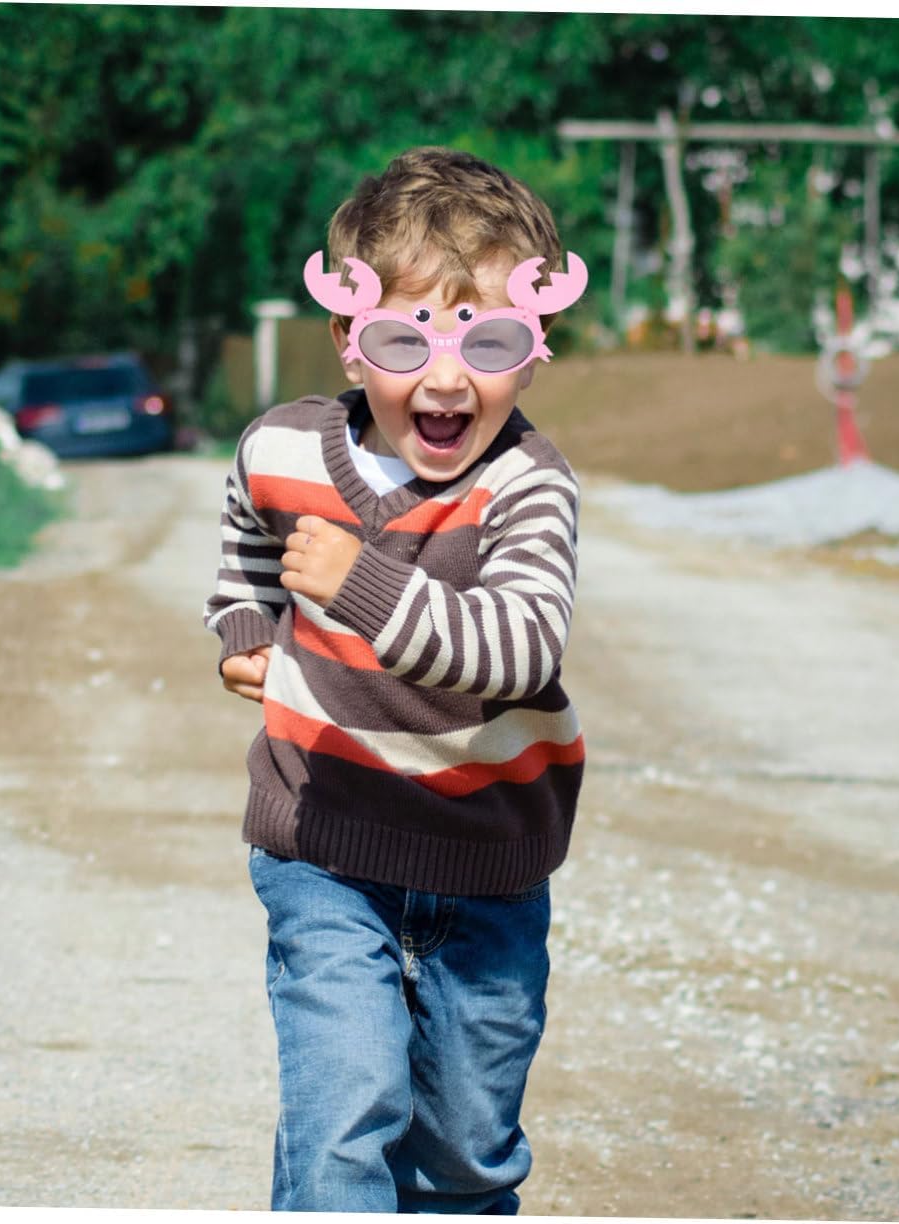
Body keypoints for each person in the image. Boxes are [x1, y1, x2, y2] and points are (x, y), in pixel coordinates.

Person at [203, 146, 589, 1214]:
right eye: (404, 342)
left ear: (535, 348)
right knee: (345, 1118)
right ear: (349, 335)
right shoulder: (281, 449)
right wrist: (246, 624)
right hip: (323, 846)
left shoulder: (528, 487)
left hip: (486, 860)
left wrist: (359, 585)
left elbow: (521, 647)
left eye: (490, 342)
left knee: (466, 1154)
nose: (447, 379)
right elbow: (245, 534)